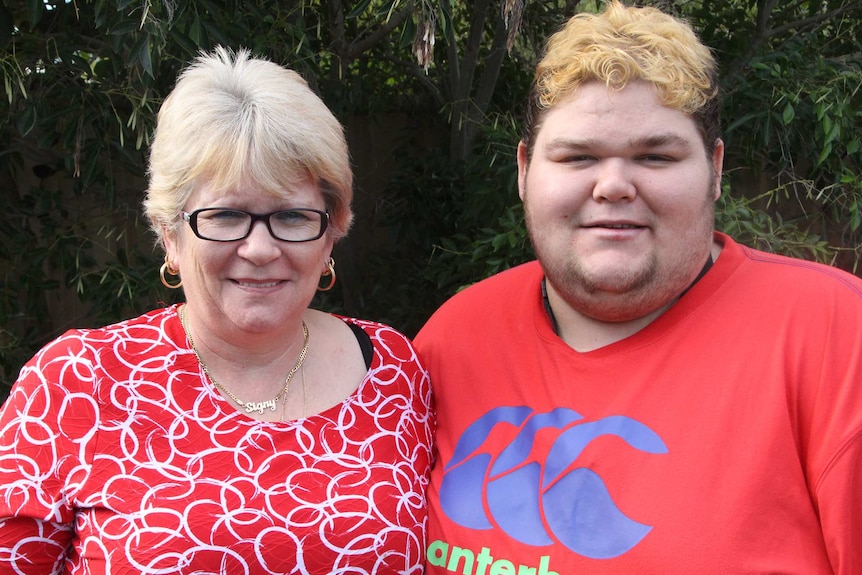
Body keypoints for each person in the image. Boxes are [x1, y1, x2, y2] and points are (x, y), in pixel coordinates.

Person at [414, 2, 861, 573]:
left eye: (655, 155)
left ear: (715, 170)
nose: (613, 186)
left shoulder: (833, 335)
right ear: (524, 170)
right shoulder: (455, 335)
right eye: (578, 156)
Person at [0, 47, 433, 574]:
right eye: (226, 214)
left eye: (292, 217)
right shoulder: (76, 382)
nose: (259, 249)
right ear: (169, 235)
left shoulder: (394, 368)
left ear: (331, 234)